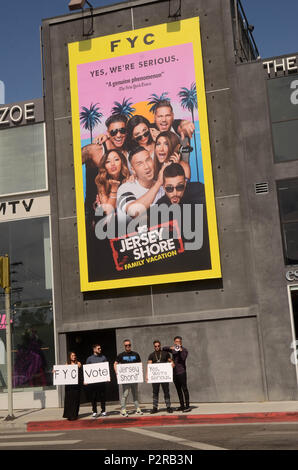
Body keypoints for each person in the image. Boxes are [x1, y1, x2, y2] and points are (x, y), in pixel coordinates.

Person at [116, 146, 167, 222]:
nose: (147, 167)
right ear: (133, 170)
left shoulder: (163, 188)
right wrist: (159, 183)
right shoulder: (124, 188)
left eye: (148, 160)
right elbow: (133, 212)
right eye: (140, 164)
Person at [94, 148, 130, 215]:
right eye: (108, 161)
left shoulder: (129, 179)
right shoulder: (101, 182)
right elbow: (109, 211)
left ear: (122, 162)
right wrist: (114, 188)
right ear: (104, 166)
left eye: (116, 159)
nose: (112, 164)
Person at [114, 339, 143, 417]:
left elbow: (140, 363)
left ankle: (138, 409)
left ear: (131, 345)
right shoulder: (121, 355)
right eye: (126, 345)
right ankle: (123, 410)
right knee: (125, 394)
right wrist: (117, 372)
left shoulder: (136, 354)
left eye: (129, 345)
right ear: (124, 346)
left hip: (134, 378)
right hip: (126, 379)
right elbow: (115, 363)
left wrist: (140, 372)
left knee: (135, 394)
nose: (128, 346)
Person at [163, 336, 191, 412]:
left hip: (182, 372)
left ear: (181, 342)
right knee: (178, 390)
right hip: (175, 373)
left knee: (184, 389)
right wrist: (171, 348)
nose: (177, 343)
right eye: (176, 341)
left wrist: (180, 350)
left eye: (179, 341)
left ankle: (187, 406)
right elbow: (164, 348)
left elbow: (183, 358)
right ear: (174, 342)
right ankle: (182, 405)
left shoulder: (184, 350)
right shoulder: (174, 350)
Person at [147, 340, 174, 414]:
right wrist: (147, 375)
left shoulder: (165, 353)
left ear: (160, 345)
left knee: (166, 392)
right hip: (155, 377)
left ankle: (168, 407)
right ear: (154, 346)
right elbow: (149, 365)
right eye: (155, 346)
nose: (157, 347)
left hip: (164, 376)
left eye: (158, 346)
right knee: (155, 392)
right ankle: (155, 408)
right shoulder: (151, 355)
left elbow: (170, 361)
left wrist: (172, 363)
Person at [86, 344, 108, 418]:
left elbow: (106, 368)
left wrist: (107, 377)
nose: (100, 349)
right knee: (93, 397)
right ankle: (94, 411)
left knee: (102, 396)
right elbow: (87, 370)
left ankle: (103, 410)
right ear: (94, 349)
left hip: (101, 382)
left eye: (100, 348)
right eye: (98, 348)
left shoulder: (103, 357)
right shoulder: (89, 359)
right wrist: (86, 380)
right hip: (93, 382)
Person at [63, 351, 83, 421]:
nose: (73, 357)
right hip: (69, 386)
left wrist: (79, 367)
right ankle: (69, 415)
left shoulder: (78, 363)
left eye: (74, 355)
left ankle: (75, 415)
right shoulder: (67, 364)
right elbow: (62, 373)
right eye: (72, 355)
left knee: (76, 400)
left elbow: (81, 374)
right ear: (69, 357)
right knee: (69, 400)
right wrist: (55, 371)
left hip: (76, 385)